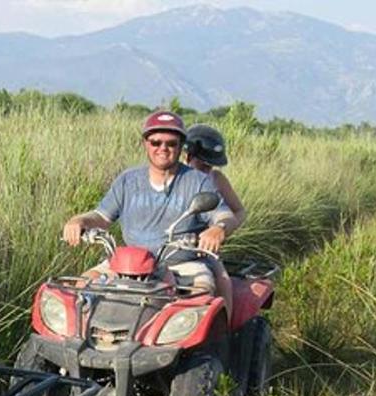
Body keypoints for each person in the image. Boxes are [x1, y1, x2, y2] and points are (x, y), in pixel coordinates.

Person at [62, 110, 236, 307]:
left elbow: (225, 215)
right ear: (145, 143)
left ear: (181, 147)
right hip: (127, 264)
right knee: (79, 293)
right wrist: (78, 221)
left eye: (171, 143)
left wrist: (218, 229)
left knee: (199, 304)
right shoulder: (128, 180)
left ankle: (222, 337)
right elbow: (101, 216)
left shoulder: (198, 182)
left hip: (182, 266)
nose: (163, 148)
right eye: (156, 142)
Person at [185, 123, 246, 234]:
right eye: (202, 166)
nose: (206, 171)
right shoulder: (176, 178)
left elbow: (239, 211)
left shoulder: (216, 178)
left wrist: (221, 228)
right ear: (188, 157)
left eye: (210, 166)